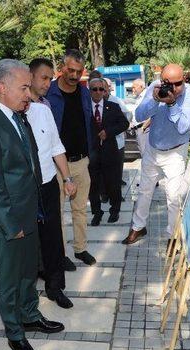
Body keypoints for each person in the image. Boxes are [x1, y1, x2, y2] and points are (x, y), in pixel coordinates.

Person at [0, 59, 65, 350]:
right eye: (24, 87)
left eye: (29, 87)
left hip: (29, 212)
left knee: (27, 273)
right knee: (9, 279)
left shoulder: (18, 117)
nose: (29, 93)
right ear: (2, 87)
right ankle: (15, 333)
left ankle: (29, 315)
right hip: (8, 220)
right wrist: (11, 224)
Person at [122, 63, 190, 245]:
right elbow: (139, 116)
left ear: (184, 79)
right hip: (152, 149)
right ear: (162, 80)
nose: (172, 88)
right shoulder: (154, 87)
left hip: (175, 153)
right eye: (167, 83)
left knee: (173, 197)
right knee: (144, 191)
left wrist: (171, 104)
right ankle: (138, 227)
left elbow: (183, 128)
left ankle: (173, 236)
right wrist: (154, 101)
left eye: (177, 83)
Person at [27, 58, 77, 309]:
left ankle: (55, 287)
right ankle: (26, 293)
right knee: (25, 242)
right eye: (44, 78)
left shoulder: (44, 110)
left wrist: (67, 178)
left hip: (48, 183)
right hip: (23, 189)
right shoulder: (11, 113)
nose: (48, 83)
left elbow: (56, 146)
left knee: (53, 238)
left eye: (49, 78)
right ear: (30, 77)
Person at [46, 49, 96, 268]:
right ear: (62, 69)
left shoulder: (84, 93)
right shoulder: (49, 94)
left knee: (80, 210)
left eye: (79, 71)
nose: (74, 75)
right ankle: (60, 254)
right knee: (57, 212)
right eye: (71, 70)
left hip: (81, 162)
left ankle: (80, 248)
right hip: (56, 164)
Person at [89, 78, 129, 226]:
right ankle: (96, 212)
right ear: (90, 90)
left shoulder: (113, 106)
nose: (99, 92)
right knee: (93, 184)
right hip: (92, 153)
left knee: (113, 182)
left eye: (102, 89)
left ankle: (115, 210)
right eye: (95, 89)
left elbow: (125, 123)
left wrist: (109, 132)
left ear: (105, 90)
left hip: (110, 151)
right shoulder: (85, 108)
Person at [103, 77, 132, 187]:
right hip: (101, 143)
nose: (102, 92)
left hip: (117, 140)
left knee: (117, 165)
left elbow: (127, 115)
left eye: (105, 89)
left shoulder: (116, 101)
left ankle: (116, 184)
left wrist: (119, 127)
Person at [130, 78, 149, 156]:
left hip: (144, 129)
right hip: (139, 129)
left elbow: (153, 113)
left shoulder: (147, 96)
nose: (132, 90)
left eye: (134, 87)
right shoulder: (138, 97)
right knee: (144, 155)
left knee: (146, 156)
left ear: (141, 86)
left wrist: (144, 126)